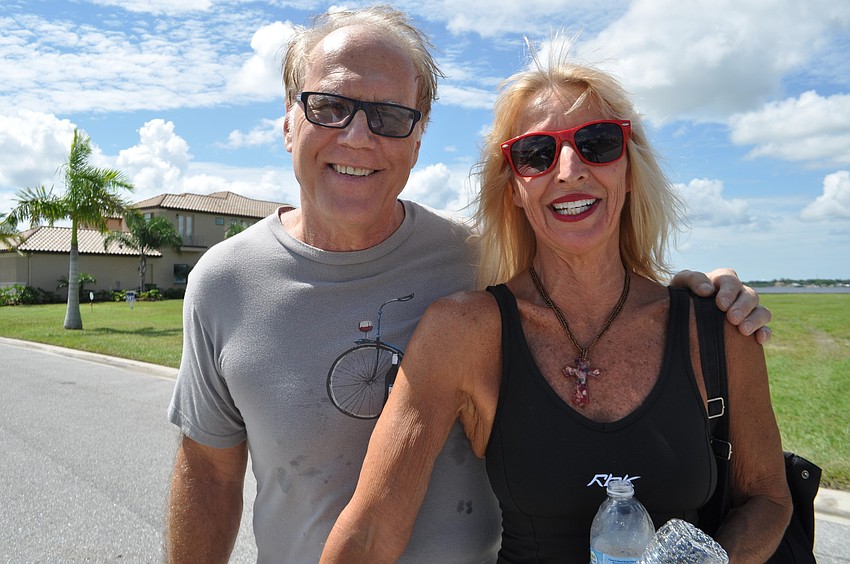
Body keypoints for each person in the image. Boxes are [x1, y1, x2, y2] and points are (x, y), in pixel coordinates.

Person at [165, 7, 772, 563]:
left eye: (598, 142)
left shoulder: (474, 259)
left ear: (419, 134)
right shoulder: (226, 283)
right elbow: (214, 479)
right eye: (329, 105)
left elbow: (589, 263)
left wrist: (709, 296)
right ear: (288, 120)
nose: (357, 136)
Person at [320, 47, 792, 563]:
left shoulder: (717, 330)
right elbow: (370, 533)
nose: (568, 170)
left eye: (597, 143)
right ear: (515, 189)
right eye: (536, 153)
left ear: (629, 169)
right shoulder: (464, 332)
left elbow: (768, 498)